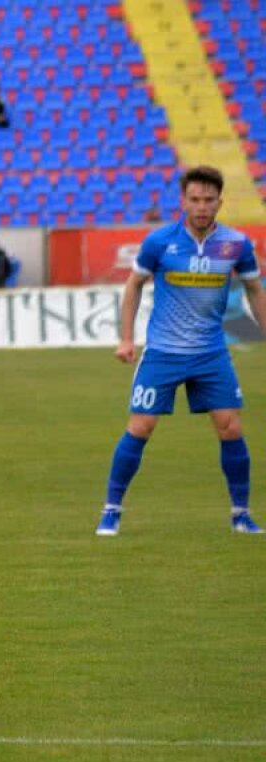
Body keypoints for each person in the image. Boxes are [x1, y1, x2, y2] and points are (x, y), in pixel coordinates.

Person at [96, 166, 266, 537]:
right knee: (141, 426)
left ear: (220, 201)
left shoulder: (236, 244)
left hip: (210, 353)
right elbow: (133, 285)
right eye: (195, 199)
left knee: (230, 426)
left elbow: (254, 290)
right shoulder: (160, 241)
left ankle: (241, 514)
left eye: (209, 200)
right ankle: (111, 510)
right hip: (163, 351)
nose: (202, 207)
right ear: (182, 201)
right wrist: (126, 339)